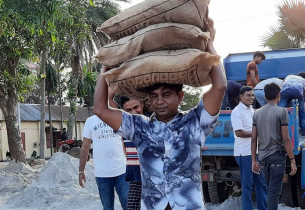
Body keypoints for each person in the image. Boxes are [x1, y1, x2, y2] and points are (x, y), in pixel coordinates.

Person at [93, 18, 227, 210]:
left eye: (166, 95)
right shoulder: (139, 127)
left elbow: (220, 86)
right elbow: (100, 109)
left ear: (180, 96)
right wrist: (105, 69)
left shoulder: (196, 122)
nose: (160, 101)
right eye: (154, 96)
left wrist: (209, 44)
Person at [79, 88, 129, 210]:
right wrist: (81, 171)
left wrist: (128, 162)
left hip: (122, 171)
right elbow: (85, 147)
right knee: (107, 207)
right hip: (102, 174)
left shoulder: (117, 116)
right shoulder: (90, 121)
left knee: (128, 205)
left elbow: (122, 141)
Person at [251, 82, 297, 210]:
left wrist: (254, 160)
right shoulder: (282, 112)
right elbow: (286, 138)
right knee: (274, 193)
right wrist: (292, 160)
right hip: (277, 157)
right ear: (279, 96)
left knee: (269, 190)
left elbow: (253, 138)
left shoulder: (257, 113)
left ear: (265, 97)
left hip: (263, 157)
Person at [231, 86, 267, 210]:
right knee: (247, 185)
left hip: (255, 152)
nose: (251, 97)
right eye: (248, 95)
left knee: (261, 183)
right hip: (244, 154)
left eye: (253, 95)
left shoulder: (252, 110)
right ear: (241, 97)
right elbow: (239, 133)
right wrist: (256, 133)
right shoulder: (237, 111)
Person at [118, 95, 147, 210]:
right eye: (128, 110)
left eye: (136, 107)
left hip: (153, 178)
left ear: (142, 103)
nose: (134, 112)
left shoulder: (153, 122)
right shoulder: (124, 125)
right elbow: (124, 147)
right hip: (135, 178)